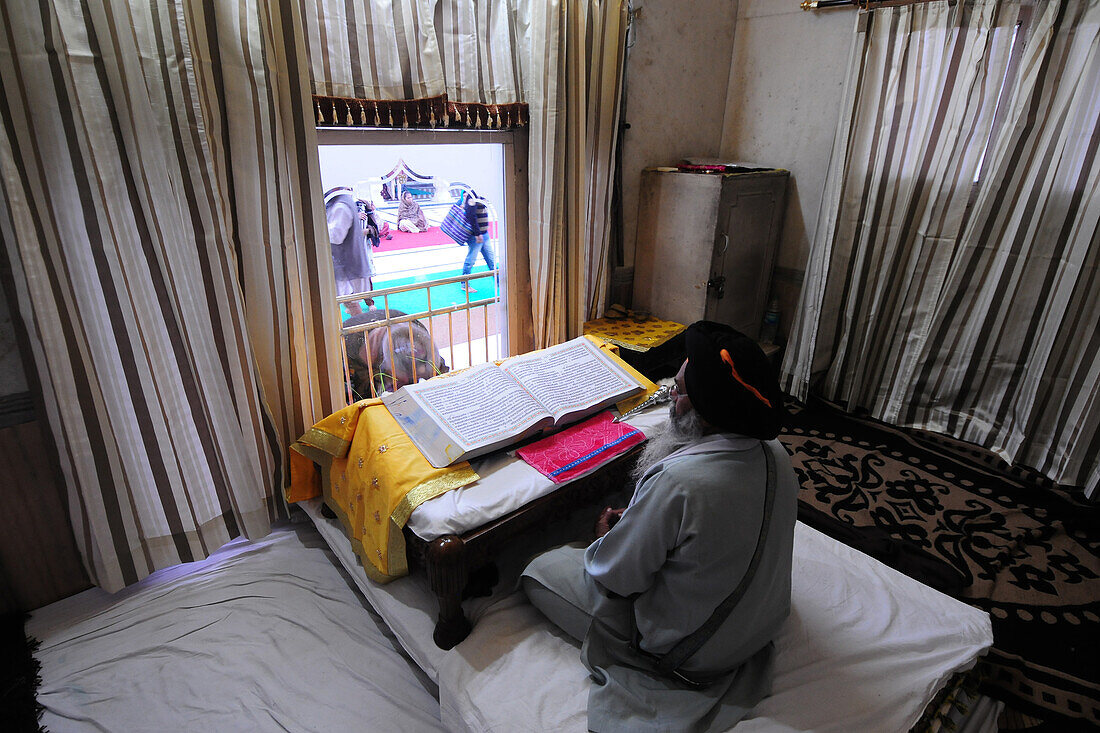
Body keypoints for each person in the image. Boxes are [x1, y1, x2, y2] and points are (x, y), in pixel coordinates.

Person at [521, 321, 798, 733]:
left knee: (539, 571)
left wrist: (605, 539)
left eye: (681, 390)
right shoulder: (776, 454)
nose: (671, 395)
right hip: (754, 630)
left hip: (691, 655)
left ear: (706, 410)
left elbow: (617, 578)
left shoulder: (678, 481)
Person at [324, 186, 374, 317]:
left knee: (349, 301)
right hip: (343, 263)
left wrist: (318, 227)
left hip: (345, 264)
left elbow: (336, 236)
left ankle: (363, 334)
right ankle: (362, 333)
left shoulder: (341, 205)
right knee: (348, 301)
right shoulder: (338, 202)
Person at [459, 190, 495, 293]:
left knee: (491, 260)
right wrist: (477, 233)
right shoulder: (472, 194)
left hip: (483, 233)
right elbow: (470, 215)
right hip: (476, 235)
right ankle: (464, 284)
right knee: (471, 260)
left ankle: (499, 282)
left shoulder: (480, 193)